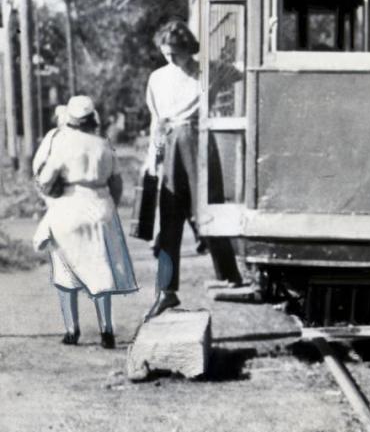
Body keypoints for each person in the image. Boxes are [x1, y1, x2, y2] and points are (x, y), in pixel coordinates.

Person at [143, 19, 241, 320]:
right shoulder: (157, 78)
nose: (172, 59)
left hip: (198, 140)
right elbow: (156, 121)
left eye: (177, 53)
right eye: (166, 52)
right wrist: (153, 157)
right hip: (170, 140)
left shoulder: (207, 72)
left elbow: (240, 70)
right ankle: (166, 291)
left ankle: (230, 274)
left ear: (189, 49)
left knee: (210, 209)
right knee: (169, 216)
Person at [31, 96, 138, 348]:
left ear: (69, 119)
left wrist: (50, 195)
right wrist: (106, 203)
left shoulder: (63, 144)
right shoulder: (104, 146)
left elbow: (45, 180)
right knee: (101, 267)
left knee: (66, 269)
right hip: (100, 206)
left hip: (68, 207)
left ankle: (72, 330)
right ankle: (106, 330)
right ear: (94, 120)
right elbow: (117, 184)